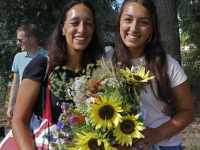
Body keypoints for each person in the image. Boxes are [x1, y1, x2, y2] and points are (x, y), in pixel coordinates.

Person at [12, 0, 104, 149]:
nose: (82, 29)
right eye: (75, 23)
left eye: (88, 23)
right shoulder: (42, 65)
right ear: (62, 29)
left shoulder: (97, 71)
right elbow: (19, 121)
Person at [106, 0, 195, 150]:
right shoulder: (105, 61)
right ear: (119, 22)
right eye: (128, 19)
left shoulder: (168, 65)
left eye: (143, 22)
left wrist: (156, 134)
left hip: (163, 145)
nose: (134, 28)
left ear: (152, 28)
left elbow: (187, 111)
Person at [6, 24, 48, 118]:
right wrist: (10, 105)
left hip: (44, 106)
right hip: (23, 105)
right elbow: (15, 83)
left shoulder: (49, 57)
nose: (17, 43)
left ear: (31, 39)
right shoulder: (18, 57)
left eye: (20, 40)